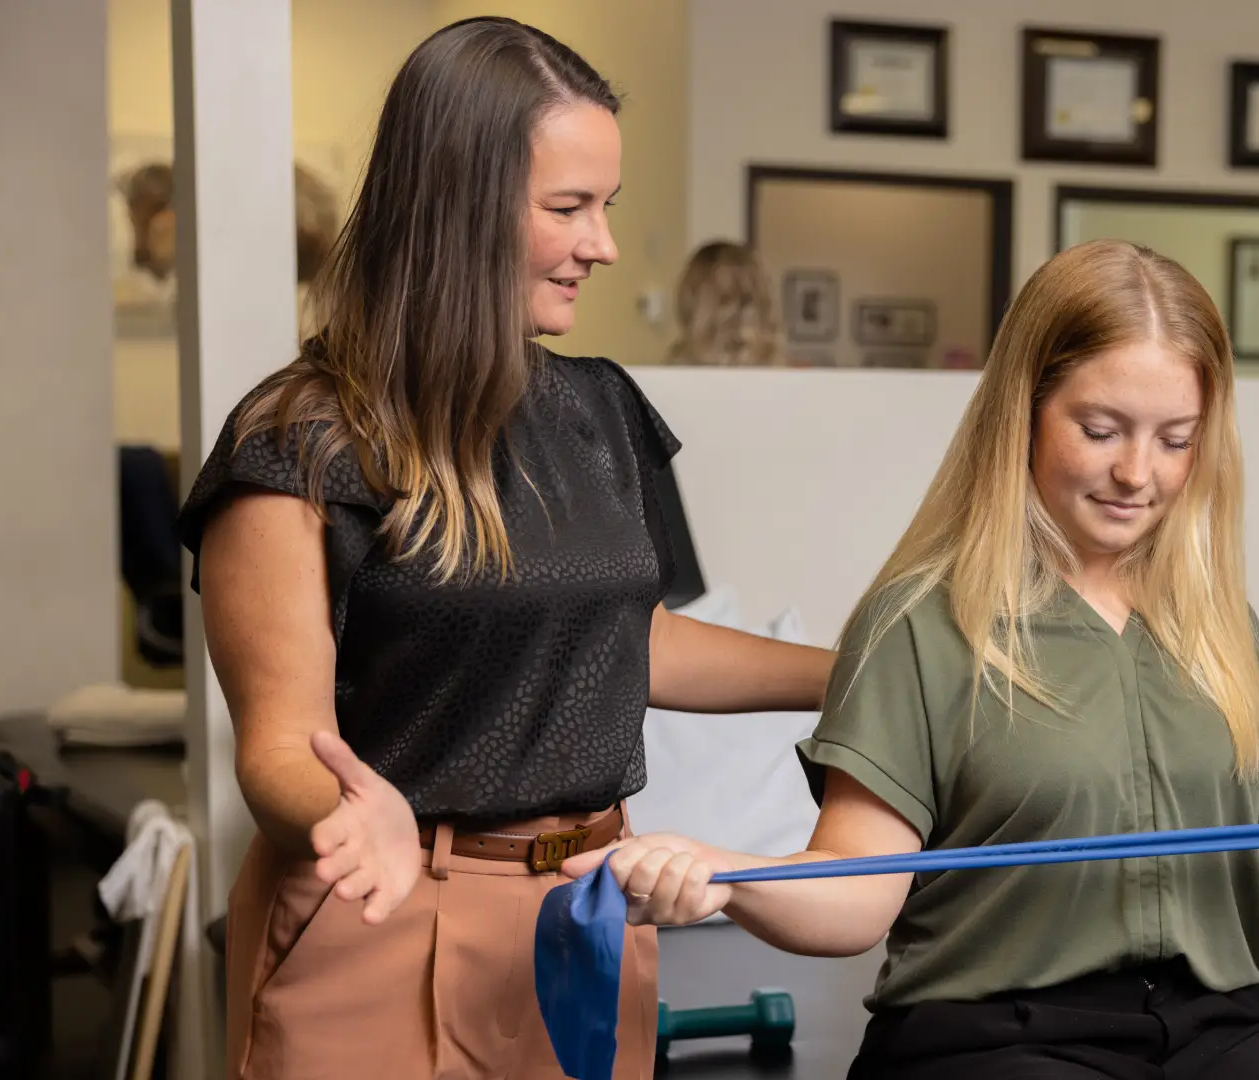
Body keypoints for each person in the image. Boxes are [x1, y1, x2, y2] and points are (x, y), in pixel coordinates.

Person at [567, 240, 1259, 1079]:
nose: (1140, 472)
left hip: (1209, 1030)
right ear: (1026, 412)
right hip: (994, 1039)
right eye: (1102, 428)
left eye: (1176, 438)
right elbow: (857, 897)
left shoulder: (1213, 621)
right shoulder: (922, 622)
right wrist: (723, 883)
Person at [174, 17, 834, 1080]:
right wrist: (355, 813)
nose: (604, 245)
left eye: (605, 208)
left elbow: (631, 646)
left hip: (588, 908)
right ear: (458, 209)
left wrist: (853, 678)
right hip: (384, 906)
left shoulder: (601, 408)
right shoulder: (300, 443)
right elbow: (277, 742)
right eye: (568, 208)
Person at [663, 240, 782, 366]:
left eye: (746, 299)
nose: (739, 313)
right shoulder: (672, 373)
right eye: (725, 299)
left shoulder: (777, 369)